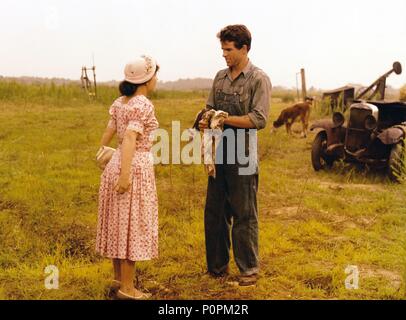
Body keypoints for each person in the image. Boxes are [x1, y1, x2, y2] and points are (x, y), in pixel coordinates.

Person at [199, 25, 271, 286]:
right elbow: (208, 108)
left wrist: (225, 119)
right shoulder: (219, 77)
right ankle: (217, 268)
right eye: (222, 49)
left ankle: (249, 270)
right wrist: (205, 119)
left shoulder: (258, 79)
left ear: (244, 49)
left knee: (244, 214)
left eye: (229, 50)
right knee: (215, 213)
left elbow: (259, 119)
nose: (224, 54)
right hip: (218, 154)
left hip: (243, 157)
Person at [95, 55, 159, 299]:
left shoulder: (121, 102)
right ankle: (128, 290)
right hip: (133, 166)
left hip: (117, 162)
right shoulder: (142, 104)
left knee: (118, 223)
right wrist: (125, 175)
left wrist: (103, 154)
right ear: (147, 79)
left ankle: (117, 280)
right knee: (131, 225)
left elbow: (110, 130)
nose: (157, 80)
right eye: (155, 75)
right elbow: (131, 138)